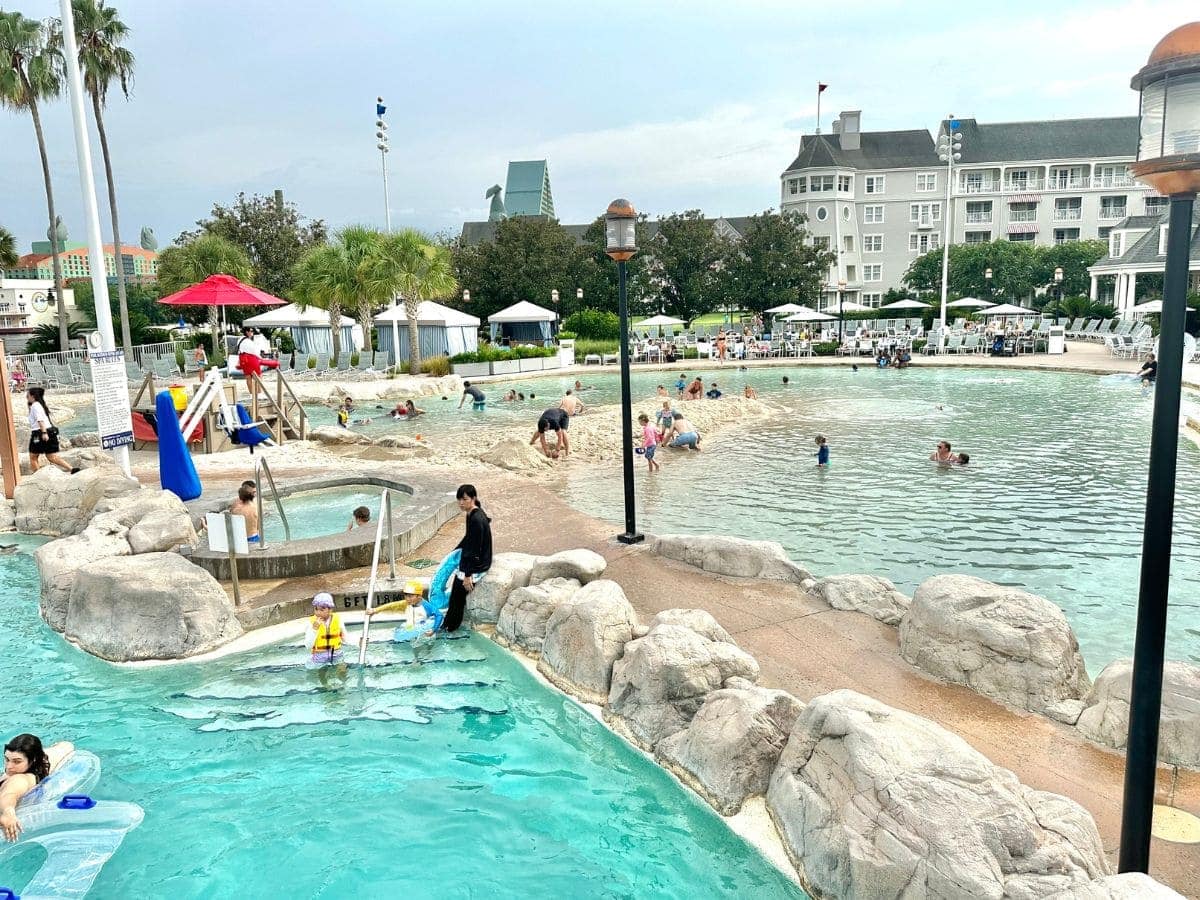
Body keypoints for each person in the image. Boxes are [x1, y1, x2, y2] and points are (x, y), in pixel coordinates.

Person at [2, 734, 75, 842]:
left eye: (17, 761)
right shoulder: (45, 762)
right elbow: (66, 746)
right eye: (7, 759)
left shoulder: (20, 779)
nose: (8, 766)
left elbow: (9, 794)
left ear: (33, 760)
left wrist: (7, 812)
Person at [443, 484, 492, 632]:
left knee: (458, 593)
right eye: (459, 499)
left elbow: (474, 549)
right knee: (455, 590)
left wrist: (467, 575)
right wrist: (455, 552)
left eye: (464, 499)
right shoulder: (472, 512)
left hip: (478, 563)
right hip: (473, 557)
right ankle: (448, 623)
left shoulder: (476, 519)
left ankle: (451, 627)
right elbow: (468, 539)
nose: (461, 503)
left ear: (473, 498)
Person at [26, 388, 76, 474]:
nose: (26, 396)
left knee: (33, 457)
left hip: (39, 433)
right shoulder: (38, 405)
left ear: (33, 396)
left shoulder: (35, 406)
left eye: (28, 395)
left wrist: (44, 433)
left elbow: (40, 420)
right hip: (48, 431)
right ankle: (71, 469)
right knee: (51, 457)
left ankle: (37, 477)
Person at [305, 593, 351, 666]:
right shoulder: (311, 623)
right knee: (322, 674)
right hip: (319, 654)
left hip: (336, 652)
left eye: (322, 610)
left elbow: (346, 638)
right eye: (316, 609)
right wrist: (314, 630)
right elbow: (308, 645)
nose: (318, 613)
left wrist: (358, 643)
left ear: (330, 609)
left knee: (342, 669)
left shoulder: (338, 620)